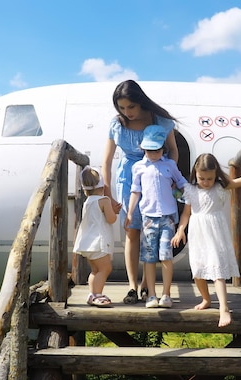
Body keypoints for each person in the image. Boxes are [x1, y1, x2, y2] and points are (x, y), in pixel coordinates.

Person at [171, 153, 241, 326]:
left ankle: (224, 308)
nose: (205, 182)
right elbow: (186, 214)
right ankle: (206, 299)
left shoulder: (220, 186)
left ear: (216, 174)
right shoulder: (190, 190)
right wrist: (180, 230)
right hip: (198, 233)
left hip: (215, 232)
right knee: (198, 270)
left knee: (216, 270)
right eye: (201, 178)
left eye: (209, 178)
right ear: (195, 173)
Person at [102, 80, 179, 304]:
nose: (127, 112)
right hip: (129, 179)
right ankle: (132, 287)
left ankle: (148, 286)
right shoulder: (117, 124)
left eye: (131, 107)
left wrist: (170, 175)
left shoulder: (161, 121)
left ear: (141, 102)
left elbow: (173, 150)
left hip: (156, 178)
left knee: (151, 232)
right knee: (132, 231)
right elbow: (106, 161)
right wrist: (108, 194)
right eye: (122, 108)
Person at [125, 125, 188, 308]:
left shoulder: (169, 165)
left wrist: (188, 194)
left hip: (168, 217)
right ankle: (151, 294)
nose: (153, 153)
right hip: (148, 218)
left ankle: (166, 294)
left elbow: (181, 181)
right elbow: (135, 191)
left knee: (166, 255)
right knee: (149, 257)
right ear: (143, 148)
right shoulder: (138, 167)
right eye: (149, 149)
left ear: (163, 148)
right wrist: (130, 213)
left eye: (157, 149)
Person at [73, 166, 118, 307]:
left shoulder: (88, 202)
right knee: (105, 269)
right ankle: (97, 295)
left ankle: (92, 294)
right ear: (102, 186)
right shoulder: (104, 200)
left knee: (95, 270)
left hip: (88, 243)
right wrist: (114, 211)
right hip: (98, 243)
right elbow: (111, 219)